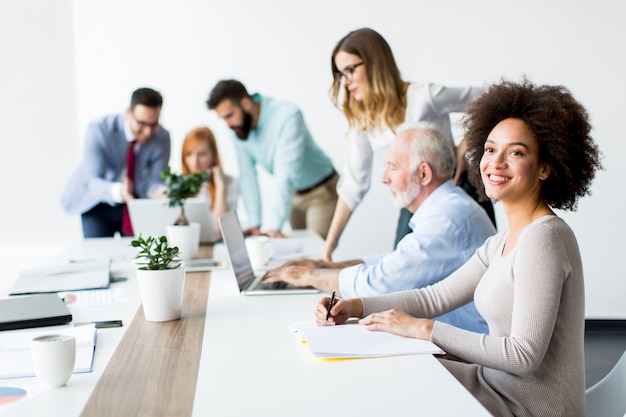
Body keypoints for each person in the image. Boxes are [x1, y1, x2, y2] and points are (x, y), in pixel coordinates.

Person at [316, 79, 603, 417]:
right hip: (497, 385)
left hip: (529, 407)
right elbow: (432, 298)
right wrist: (355, 306)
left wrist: (423, 329)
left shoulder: (545, 238)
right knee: (390, 373)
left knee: (396, 388)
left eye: (516, 152)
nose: (495, 163)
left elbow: (523, 356)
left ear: (545, 167)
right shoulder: (502, 242)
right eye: (491, 149)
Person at [263, 123, 495, 332]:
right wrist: (326, 266)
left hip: (462, 352)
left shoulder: (446, 219)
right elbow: (395, 261)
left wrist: (308, 275)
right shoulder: (447, 208)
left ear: (424, 173)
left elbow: (380, 284)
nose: (384, 178)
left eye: (392, 167)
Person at [320, 27, 495, 261]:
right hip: (413, 200)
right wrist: (328, 248)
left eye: (351, 69)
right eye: (341, 74)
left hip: (456, 192)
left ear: (375, 62)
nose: (346, 81)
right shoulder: (363, 120)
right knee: (401, 270)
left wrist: (467, 144)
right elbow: (353, 186)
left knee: (475, 268)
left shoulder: (424, 97)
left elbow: (493, 99)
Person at [206, 79, 338, 238]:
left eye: (229, 115)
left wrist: (272, 228)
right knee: (297, 254)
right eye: (223, 119)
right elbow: (248, 177)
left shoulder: (288, 115)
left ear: (246, 103)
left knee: (315, 257)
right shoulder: (238, 129)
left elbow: (286, 174)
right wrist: (255, 223)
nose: (228, 125)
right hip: (294, 195)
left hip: (321, 191)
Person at [62, 87, 171, 238]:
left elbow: (155, 179)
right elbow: (92, 180)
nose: (147, 131)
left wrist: (159, 192)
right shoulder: (99, 130)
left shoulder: (162, 137)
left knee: (137, 255)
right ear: (128, 113)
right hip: (97, 202)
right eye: (141, 123)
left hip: (134, 204)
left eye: (153, 124)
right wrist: (119, 191)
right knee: (98, 255)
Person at [181, 126, 238, 236]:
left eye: (202, 154)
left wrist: (220, 187)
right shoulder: (179, 186)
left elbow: (221, 231)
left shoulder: (229, 183)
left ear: (213, 154)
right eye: (189, 154)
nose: (195, 161)